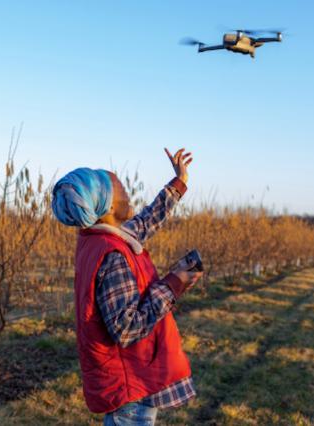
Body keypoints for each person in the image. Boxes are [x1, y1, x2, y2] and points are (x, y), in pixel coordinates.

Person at [51, 148, 202, 425]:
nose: (127, 191)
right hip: (128, 390)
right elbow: (127, 328)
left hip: (125, 382)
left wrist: (179, 181)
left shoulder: (97, 239)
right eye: (120, 186)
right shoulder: (113, 255)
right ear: (107, 206)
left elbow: (148, 219)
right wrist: (173, 285)